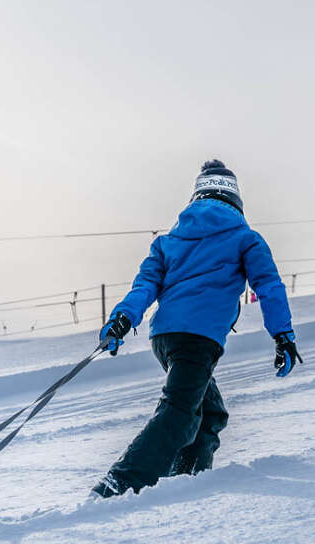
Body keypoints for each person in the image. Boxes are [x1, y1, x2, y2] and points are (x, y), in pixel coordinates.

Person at [91, 159, 302, 499]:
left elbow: (144, 287)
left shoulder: (168, 242)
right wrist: (283, 335)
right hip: (198, 339)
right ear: (236, 199)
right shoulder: (244, 237)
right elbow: (269, 285)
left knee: (210, 415)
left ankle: (186, 480)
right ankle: (119, 483)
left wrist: (122, 319)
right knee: (179, 412)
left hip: (165, 338)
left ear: (196, 195)